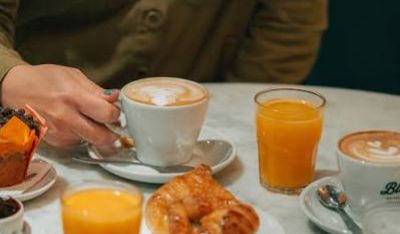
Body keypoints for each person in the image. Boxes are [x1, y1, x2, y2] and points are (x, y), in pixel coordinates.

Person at [0, 0, 327, 148]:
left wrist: (224, 122)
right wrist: (11, 77)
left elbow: (286, 31)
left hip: (202, 143)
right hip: (33, 139)